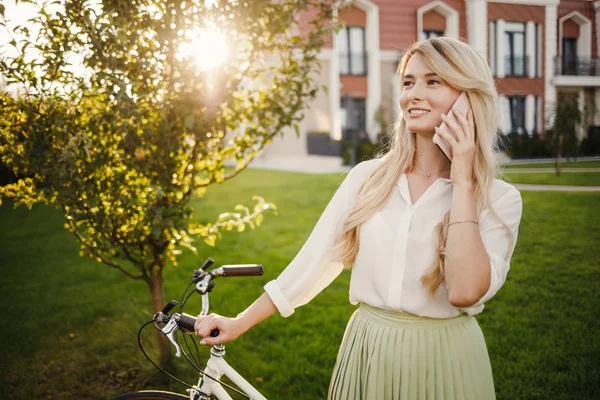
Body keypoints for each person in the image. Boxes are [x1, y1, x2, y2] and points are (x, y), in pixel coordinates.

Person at [194, 37, 523, 400]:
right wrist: (240, 323)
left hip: (447, 357)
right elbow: (315, 261)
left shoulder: (498, 200)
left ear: (468, 97)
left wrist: (462, 181)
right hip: (369, 348)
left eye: (433, 81)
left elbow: (464, 291)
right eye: (408, 82)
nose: (413, 93)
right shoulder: (368, 178)